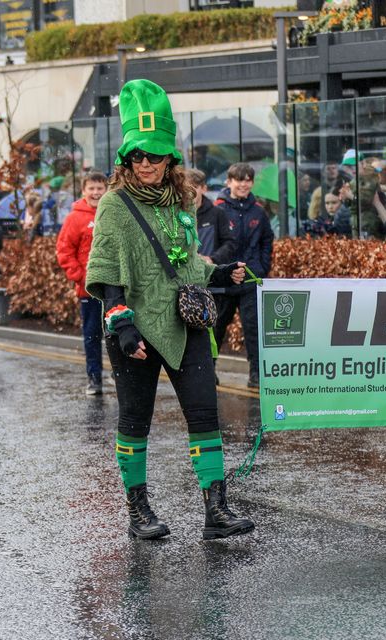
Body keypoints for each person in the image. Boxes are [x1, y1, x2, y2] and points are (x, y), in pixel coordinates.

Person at [85, 79, 254, 541]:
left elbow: (183, 263)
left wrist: (219, 274)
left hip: (185, 321)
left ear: (170, 159)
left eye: (154, 156)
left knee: (204, 413)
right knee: (134, 421)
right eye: (138, 156)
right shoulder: (113, 206)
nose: (146, 165)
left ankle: (215, 511)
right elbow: (104, 268)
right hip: (134, 328)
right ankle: (138, 511)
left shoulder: (180, 201)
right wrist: (121, 325)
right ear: (126, 159)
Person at [213, 163, 273, 388]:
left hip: (250, 279)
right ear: (229, 182)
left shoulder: (259, 210)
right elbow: (213, 241)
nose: (244, 184)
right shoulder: (218, 209)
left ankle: (256, 373)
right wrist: (217, 269)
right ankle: (210, 368)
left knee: (253, 327)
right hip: (225, 279)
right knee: (217, 325)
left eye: (248, 179)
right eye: (239, 180)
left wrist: (262, 266)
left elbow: (267, 240)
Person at [56, 171, 108, 395]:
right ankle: (94, 377)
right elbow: (64, 251)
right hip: (89, 291)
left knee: (119, 333)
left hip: (116, 287)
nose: (96, 193)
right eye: (92, 188)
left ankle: (121, 374)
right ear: (84, 190)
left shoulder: (114, 213)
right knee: (92, 335)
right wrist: (82, 277)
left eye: (100, 188)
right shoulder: (74, 218)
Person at [187, 169, 237, 266]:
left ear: (204, 189)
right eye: (186, 188)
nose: (190, 192)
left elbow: (230, 243)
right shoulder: (175, 214)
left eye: (194, 187)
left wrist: (212, 259)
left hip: (211, 273)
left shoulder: (218, 213)